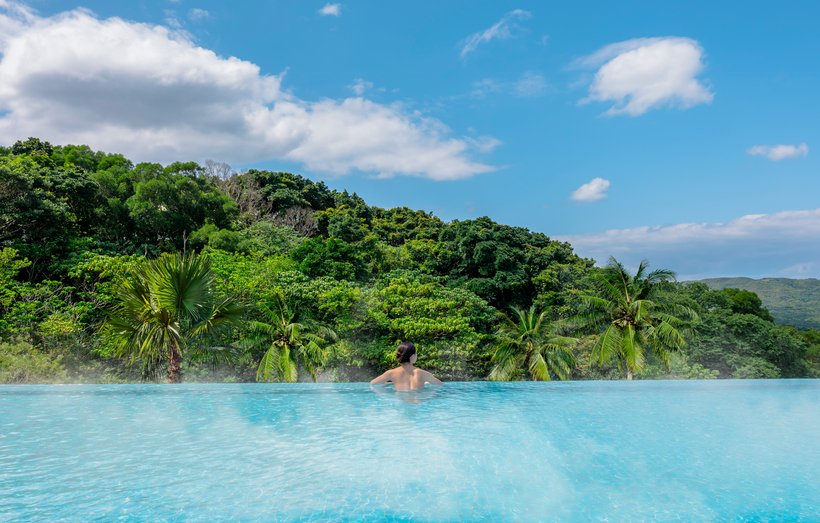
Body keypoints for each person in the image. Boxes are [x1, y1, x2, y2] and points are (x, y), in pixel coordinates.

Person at [370, 341, 443, 391]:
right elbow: (440, 385)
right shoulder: (423, 373)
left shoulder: (391, 373)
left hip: (401, 404)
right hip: (418, 404)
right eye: (416, 354)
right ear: (412, 356)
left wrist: (392, 382)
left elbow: (373, 383)